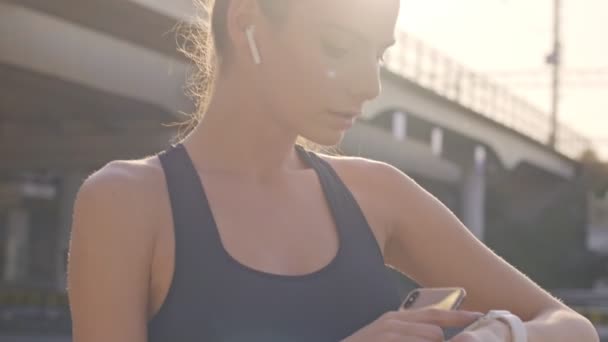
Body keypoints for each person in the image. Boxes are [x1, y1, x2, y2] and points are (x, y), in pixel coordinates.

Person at [66, 0, 599, 341]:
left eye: (380, 54)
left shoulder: (378, 195)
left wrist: (492, 337)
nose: (370, 85)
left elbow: (569, 327)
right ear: (248, 23)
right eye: (339, 47)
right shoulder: (126, 202)